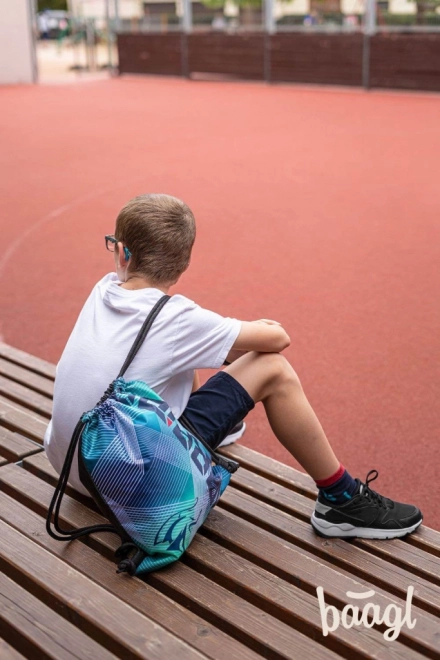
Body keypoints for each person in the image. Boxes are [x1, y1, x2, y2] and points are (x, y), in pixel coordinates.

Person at [44, 194, 423, 540]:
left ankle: (220, 431)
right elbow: (277, 339)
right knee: (272, 369)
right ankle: (340, 499)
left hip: (73, 468)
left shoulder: (104, 289)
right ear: (184, 262)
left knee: (188, 351)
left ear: (122, 254)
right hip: (128, 489)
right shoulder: (176, 319)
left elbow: (174, 345)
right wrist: (253, 330)